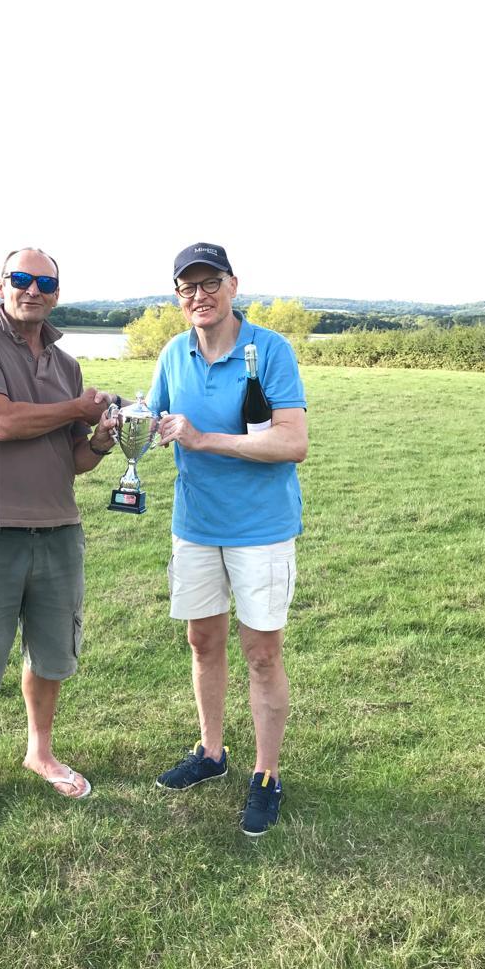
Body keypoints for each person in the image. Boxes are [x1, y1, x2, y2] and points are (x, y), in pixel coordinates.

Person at [0, 247, 119, 831]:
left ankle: (39, 751)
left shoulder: (67, 364)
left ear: (57, 292)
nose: (33, 289)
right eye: (22, 279)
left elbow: (71, 459)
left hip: (59, 531)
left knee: (51, 655)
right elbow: (0, 421)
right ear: (1, 285)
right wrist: (76, 406)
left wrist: (98, 439)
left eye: (45, 282)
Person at [147, 242, 308, 837]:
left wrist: (204, 439)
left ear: (233, 285)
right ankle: (212, 754)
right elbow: (158, 420)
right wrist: (123, 422)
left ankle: (266, 775)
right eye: (187, 287)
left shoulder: (269, 350)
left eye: (209, 282)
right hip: (195, 526)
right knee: (202, 642)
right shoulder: (173, 352)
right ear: (178, 296)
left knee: (262, 653)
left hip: (260, 530)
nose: (199, 295)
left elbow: (292, 443)